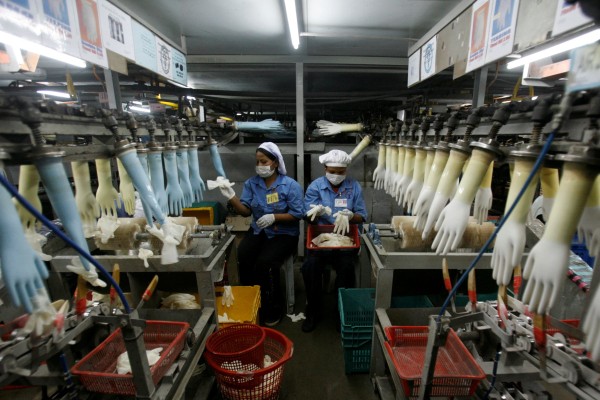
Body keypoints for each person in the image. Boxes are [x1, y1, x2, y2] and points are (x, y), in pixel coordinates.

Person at [218, 142, 304, 326]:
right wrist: (231, 196)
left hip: (284, 234)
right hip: (260, 230)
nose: (260, 166)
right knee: (243, 255)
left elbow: (298, 214)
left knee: (265, 263)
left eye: (264, 161)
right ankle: (253, 300)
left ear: (274, 162)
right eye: (257, 162)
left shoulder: (290, 185)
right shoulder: (251, 184)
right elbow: (246, 212)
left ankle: (272, 307)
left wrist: (275, 217)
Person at [302, 149, 367, 332]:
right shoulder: (315, 186)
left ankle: (341, 312)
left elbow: (362, 216)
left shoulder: (354, 187)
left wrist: (350, 215)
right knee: (310, 267)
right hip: (320, 239)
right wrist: (316, 213)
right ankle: (313, 311)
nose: (336, 176)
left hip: (345, 240)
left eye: (340, 172)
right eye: (332, 172)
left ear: (346, 171)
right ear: (325, 168)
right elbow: (308, 217)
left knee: (346, 269)